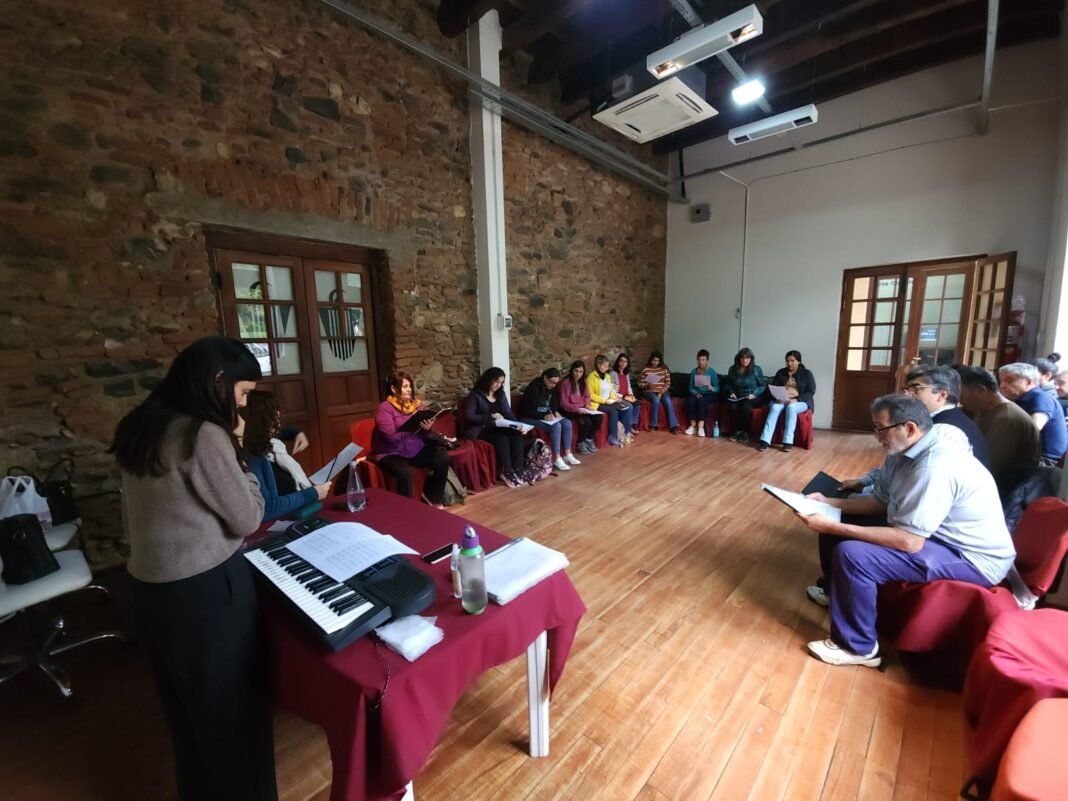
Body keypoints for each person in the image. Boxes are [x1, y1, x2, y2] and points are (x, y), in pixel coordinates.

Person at [111, 336, 277, 801]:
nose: (243, 405)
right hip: (204, 592)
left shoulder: (140, 424)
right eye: (243, 394)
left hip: (149, 589)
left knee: (188, 716)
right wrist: (241, 452)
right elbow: (248, 518)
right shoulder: (202, 433)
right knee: (234, 714)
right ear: (218, 381)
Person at [798, 394, 1015, 667]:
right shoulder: (902, 451)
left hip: (971, 557)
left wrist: (834, 525)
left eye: (880, 428)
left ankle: (857, 647)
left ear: (909, 428)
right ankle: (838, 596)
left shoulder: (934, 466)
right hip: (936, 535)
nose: (876, 435)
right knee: (838, 523)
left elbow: (909, 542)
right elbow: (880, 502)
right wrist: (828, 503)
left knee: (853, 554)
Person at [839, 366, 991, 492]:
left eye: (916, 389)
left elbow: (914, 486)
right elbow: (899, 465)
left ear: (942, 394)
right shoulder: (928, 422)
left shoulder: (944, 433)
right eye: (906, 389)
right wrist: (864, 482)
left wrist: (866, 492)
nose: (907, 395)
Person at [239, 390, 330, 520]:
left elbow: (283, 431)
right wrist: (312, 493)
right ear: (261, 421)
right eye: (273, 413)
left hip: (300, 510)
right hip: (281, 521)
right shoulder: (252, 458)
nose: (278, 416)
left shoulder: (266, 441)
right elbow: (267, 509)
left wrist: (296, 432)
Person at [956, 365, 1041, 496]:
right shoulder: (983, 411)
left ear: (981, 390)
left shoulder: (1007, 418)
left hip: (1005, 491)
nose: (960, 401)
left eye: (962, 394)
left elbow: (990, 466)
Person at [372, 371, 453, 508]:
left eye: (409, 386)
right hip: (392, 453)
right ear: (393, 389)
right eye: (404, 386)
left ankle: (434, 498)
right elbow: (390, 437)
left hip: (414, 449)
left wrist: (426, 428)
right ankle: (408, 509)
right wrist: (411, 427)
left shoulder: (417, 406)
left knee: (442, 457)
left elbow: (424, 435)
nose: (409, 390)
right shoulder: (384, 408)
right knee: (405, 472)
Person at [462, 367, 527, 488]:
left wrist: (518, 425)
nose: (499, 385)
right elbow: (469, 416)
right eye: (496, 381)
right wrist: (489, 415)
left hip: (498, 426)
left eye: (501, 382)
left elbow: (508, 413)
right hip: (480, 428)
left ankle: (518, 469)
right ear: (488, 380)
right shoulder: (475, 395)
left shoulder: (500, 394)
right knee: (502, 438)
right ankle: (506, 471)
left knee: (516, 434)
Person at [999, 362, 1068, 465]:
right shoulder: (1018, 400)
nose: (1003, 385)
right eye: (1001, 381)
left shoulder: (1041, 398)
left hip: (1046, 461)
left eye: (1009, 380)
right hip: (1031, 457)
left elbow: (1032, 429)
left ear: (1028, 382)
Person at [520, 367, 580, 472]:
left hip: (546, 417)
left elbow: (553, 403)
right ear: (545, 378)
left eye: (555, 383)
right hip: (529, 418)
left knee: (566, 423)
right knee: (556, 426)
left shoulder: (551, 389)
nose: (553, 385)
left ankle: (567, 453)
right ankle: (556, 457)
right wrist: (543, 416)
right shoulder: (533, 389)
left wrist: (555, 411)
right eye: (551, 382)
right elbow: (527, 410)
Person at [756, 350, 815, 453]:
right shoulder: (781, 372)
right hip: (782, 399)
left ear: (799, 361)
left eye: (792, 361)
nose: (789, 363)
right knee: (774, 407)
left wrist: (796, 399)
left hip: (800, 401)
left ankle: (788, 441)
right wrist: (777, 397)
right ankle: (765, 440)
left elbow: (811, 391)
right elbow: (773, 387)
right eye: (787, 361)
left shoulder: (807, 374)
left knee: (791, 408)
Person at [588, 354, 633, 447]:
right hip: (597, 403)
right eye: (604, 366)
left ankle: (626, 433)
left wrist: (616, 399)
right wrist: (604, 401)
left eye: (607, 366)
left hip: (609, 401)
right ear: (598, 365)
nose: (606, 368)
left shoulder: (607, 376)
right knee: (613, 411)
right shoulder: (591, 377)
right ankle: (612, 436)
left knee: (628, 406)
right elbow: (590, 395)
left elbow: (611, 391)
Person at [558, 360, 600, 455]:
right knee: (587, 421)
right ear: (572, 371)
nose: (578, 374)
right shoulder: (566, 383)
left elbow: (587, 396)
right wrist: (576, 409)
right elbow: (563, 403)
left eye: (580, 372)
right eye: (576, 371)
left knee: (598, 417)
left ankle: (589, 439)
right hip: (570, 410)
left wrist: (587, 405)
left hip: (583, 408)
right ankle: (580, 442)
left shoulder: (584, 381)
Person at [724, 347, 765, 442]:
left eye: (747, 358)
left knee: (745, 407)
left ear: (751, 359)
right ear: (738, 359)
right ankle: (736, 431)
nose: (745, 360)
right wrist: (731, 392)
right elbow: (728, 384)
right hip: (737, 396)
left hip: (752, 396)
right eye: (742, 358)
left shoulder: (756, 369)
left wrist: (754, 394)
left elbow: (762, 385)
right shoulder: (733, 369)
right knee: (732, 407)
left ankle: (745, 432)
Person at [637, 351, 679, 434]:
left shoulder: (664, 370)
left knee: (668, 401)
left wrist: (661, 392)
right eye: (653, 360)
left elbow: (668, 383)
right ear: (650, 360)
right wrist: (647, 385)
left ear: (660, 361)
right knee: (655, 400)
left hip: (662, 391)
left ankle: (673, 426)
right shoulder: (645, 370)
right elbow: (640, 384)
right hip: (649, 392)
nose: (655, 362)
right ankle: (653, 425)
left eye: (657, 361)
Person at [686, 349, 719, 437]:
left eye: (703, 360)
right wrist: (696, 393)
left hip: (709, 394)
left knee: (702, 401)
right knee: (691, 400)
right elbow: (691, 388)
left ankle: (701, 427)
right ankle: (693, 426)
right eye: (699, 360)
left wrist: (711, 388)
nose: (701, 362)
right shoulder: (694, 372)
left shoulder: (711, 371)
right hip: (697, 393)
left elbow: (717, 389)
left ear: (707, 360)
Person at [610, 353, 643, 441]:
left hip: (626, 396)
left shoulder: (626, 373)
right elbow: (612, 391)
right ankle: (627, 431)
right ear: (618, 362)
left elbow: (628, 386)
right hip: (618, 398)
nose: (623, 363)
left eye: (625, 361)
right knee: (630, 406)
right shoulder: (613, 374)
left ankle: (631, 426)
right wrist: (624, 397)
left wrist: (631, 395)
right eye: (621, 361)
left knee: (638, 404)